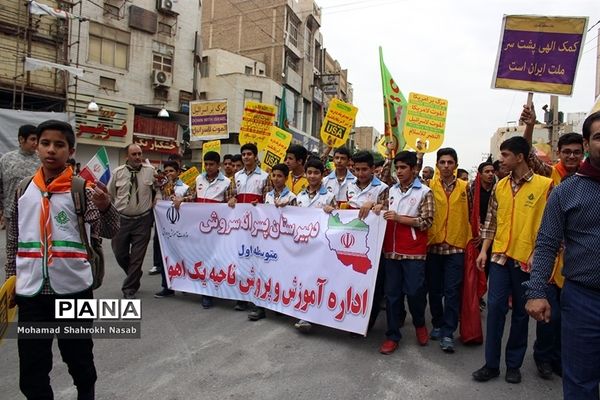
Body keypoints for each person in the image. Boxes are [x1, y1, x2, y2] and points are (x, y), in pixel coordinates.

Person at [5, 120, 119, 400]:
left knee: (79, 361)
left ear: (70, 150)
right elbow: (13, 239)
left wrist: (106, 207)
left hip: (74, 291)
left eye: (59, 144)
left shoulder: (82, 190)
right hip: (31, 293)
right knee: (32, 371)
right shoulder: (23, 189)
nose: (51, 150)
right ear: (37, 147)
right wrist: (12, 280)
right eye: (45, 143)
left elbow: (110, 230)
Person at [525, 111, 600, 399]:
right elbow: (546, 244)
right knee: (581, 381)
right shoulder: (565, 192)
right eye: (599, 137)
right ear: (588, 143)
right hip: (584, 300)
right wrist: (536, 291)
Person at [472, 136, 552, 385]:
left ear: (519, 157)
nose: (501, 160)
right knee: (495, 309)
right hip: (499, 258)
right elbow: (491, 222)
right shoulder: (500, 186)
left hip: (526, 261)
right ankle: (491, 364)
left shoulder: (545, 185)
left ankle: (513, 365)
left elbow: (551, 227)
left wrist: (539, 257)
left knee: (520, 314)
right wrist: (484, 250)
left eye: (505, 155)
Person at [521, 104, 584, 380]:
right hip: (548, 256)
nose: (571, 157)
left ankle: (560, 359)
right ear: (559, 154)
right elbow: (525, 158)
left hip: (578, 262)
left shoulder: (589, 178)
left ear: (583, 155)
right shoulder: (548, 174)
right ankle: (543, 357)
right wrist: (531, 127)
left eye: (576, 152)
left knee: (570, 319)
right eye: (566, 152)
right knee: (550, 315)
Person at [379, 151, 434, 355]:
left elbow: (427, 221)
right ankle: (393, 335)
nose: (399, 171)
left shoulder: (425, 192)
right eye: (397, 167)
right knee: (392, 296)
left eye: (403, 167)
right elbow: (381, 209)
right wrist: (373, 206)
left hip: (413, 253)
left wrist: (401, 219)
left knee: (414, 292)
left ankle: (419, 323)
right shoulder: (389, 191)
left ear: (414, 169)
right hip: (391, 252)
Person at [426, 147, 472, 353]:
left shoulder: (465, 187)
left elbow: (474, 212)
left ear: (456, 165)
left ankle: (448, 332)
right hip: (433, 246)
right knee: (434, 291)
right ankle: (437, 323)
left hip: (456, 246)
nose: (446, 166)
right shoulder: (428, 186)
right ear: (437, 165)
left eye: (449, 162)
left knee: (452, 292)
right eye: (442, 162)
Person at [345, 150, 388, 330]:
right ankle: (351, 316)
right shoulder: (350, 186)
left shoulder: (383, 188)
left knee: (373, 284)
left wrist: (376, 205)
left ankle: (367, 322)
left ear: (372, 169)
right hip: (352, 243)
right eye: (357, 170)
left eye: (364, 169)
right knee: (352, 281)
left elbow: (387, 208)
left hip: (374, 245)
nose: (360, 174)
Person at [108, 144, 156, 299]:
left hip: (143, 220)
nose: (137, 157)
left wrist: (158, 199)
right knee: (119, 253)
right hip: (121, 220)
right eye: (134, 154)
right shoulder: (117, 173)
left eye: (139, 154)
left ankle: (129, 289)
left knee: (137, 257)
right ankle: (134, 273)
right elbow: (110, 195)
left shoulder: (150, 171)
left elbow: (159, 189)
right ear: (127, 157)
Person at [294, 158, 336, 332]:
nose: (312, 176)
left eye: (316, 173)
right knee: (303, 279)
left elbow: (337, 221)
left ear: (323, 175)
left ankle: (315, 314)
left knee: (318, 281)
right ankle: (304, 314)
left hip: (321, 248)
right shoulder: (299, 196)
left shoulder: (329, 196)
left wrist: (332, 211)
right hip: (303, 246)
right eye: (309, 172)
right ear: (305, 174)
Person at [228, 143, 271, 315]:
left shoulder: (265, 176)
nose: (246, 157)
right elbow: (230, 195)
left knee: (258, 262)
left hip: (258, 228)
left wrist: (259, 205)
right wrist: (231, 199)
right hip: (240, 227)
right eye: (243, 154)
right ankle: (242, 296)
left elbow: (268, 200)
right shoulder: (236, 176)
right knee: (241, 260)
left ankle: (258, 300)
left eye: (249, 154)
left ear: (255, 156)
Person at [153, 160, 192, 299]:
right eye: (167, 171)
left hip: (180, 229)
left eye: (172, 171)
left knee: (182, 256)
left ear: (178, 172)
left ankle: (185, 284)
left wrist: (183, 200)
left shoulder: (185, 187)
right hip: (164, 228)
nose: (169, 174)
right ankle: (166, 285)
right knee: (165, 256)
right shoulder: (161, 187)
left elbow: (193, 201)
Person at [0, 124, 40, 239]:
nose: (36, 143)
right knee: (12, 248)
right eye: (32, 139)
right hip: (11, 214)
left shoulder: (42, 160)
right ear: (21, 139)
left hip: (34, 213)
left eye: (37, 139)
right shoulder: (6, 160)